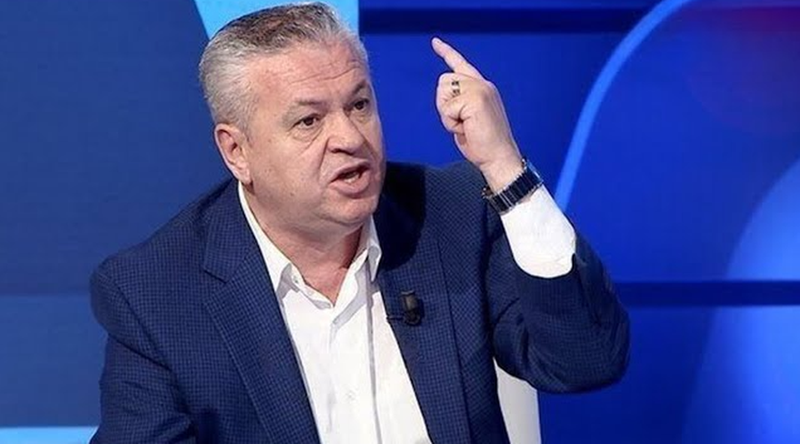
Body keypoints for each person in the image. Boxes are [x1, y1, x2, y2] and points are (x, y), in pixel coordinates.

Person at [90, 3, 629, 443]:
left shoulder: (451, 216)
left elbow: (586, 359)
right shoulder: (157, 294)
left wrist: (506, 170)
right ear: (237, 151)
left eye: (359, 105)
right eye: (309, 120)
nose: (350, 138)